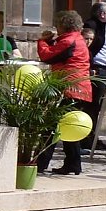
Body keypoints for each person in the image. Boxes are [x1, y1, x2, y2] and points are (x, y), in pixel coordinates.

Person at [36, 10, 93, 175]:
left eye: (57, 25)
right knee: (68, 126)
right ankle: (73, 164)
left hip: (71, 89)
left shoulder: (69, 40)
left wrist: (42, 41)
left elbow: (47, 56)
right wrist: (51, 40)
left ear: (63, 25)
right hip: (79, 89)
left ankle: (40, 162)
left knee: (52, 125)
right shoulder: (76, 38)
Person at [82, 2, 106, 150]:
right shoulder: (91, 26)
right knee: (93, 106)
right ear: (101, 14)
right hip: (98, 69)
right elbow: (88, 46)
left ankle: (93, 137)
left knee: (98, 106)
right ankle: (87, 138)